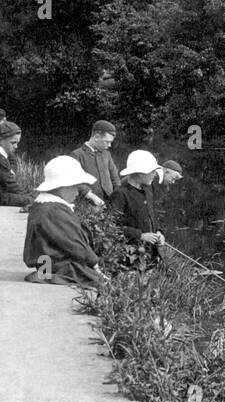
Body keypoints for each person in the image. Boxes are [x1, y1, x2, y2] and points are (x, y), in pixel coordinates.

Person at [22, 156, 106, 288]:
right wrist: (94, 261)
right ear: (61, 187)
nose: (77, 192)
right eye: (74, 187)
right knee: (99, 280)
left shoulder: (44, 205)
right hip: (57, 265)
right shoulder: (55, 211)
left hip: (47, 263)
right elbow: (74, 243)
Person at [107, 149, 165, 268]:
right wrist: (140, 235)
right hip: (130, 257)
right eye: (152, 171)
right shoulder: (120, 194)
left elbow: (152, 215)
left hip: (150, 255)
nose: (154, 174)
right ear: (139, 173)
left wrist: (159, 232)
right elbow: (111, 228)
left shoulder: (148, 191)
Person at [69, 120, 117, 206]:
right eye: (107, 142)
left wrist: (117, 195)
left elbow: (115, 178)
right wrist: (91, 196)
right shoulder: (77, 155)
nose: (109, 145)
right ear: (97, 137)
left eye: (110, 142)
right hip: (89, 204)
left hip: (110, 202)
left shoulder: (106, 154)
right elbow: (74, 181)